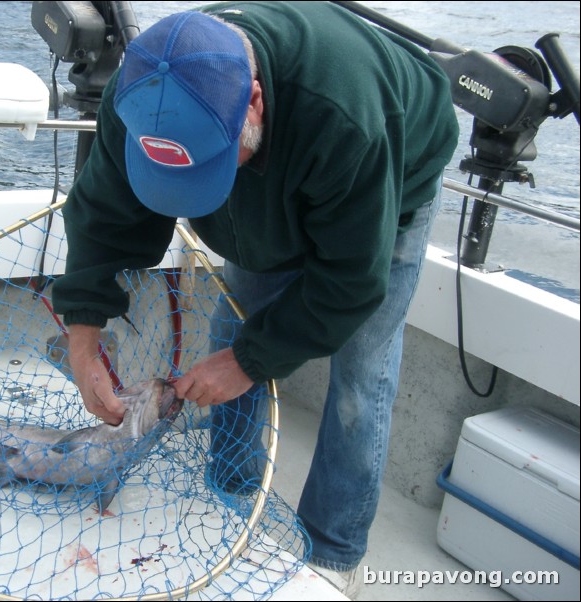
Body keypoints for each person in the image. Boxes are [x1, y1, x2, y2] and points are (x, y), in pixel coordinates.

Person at [52, 2, 459, 595]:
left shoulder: (345, 118)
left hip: (389, 174)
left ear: (256, 104)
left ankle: (336, 550)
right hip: (275, 162)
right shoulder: (140, 93)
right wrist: (82, 334)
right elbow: (103, 216)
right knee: (238, 324)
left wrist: (249, 363)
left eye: (210, 170)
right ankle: (230, 491)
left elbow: (350, 283)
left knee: (361, 370)